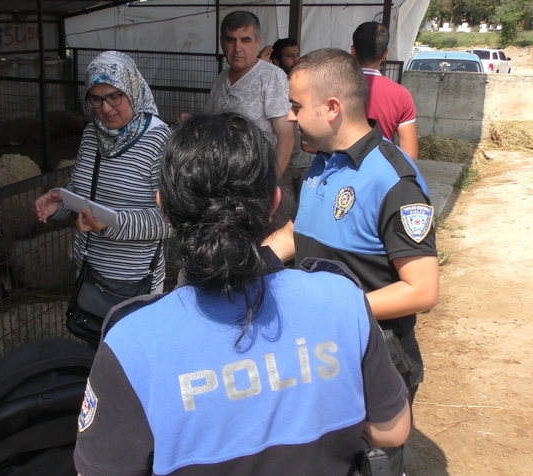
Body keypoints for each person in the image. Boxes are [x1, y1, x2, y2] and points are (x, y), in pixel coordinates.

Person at [73, 113, 411, 475]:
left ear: (165, 209)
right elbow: (393, 430)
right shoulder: (342, 299)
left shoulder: (131, 343)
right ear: (273, 203)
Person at [264, 48, 439, 475]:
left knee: (370, 461)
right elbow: (296, 233)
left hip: (373, 352)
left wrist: (335, 311)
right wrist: (247, 263)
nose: (289, 117)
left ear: (332, 108)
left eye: (296, 107)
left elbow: (422, 290)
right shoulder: (322, 163)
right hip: (322, 348)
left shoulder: (393, 181)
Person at [34, 51, 171, 296]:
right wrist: (60, 201)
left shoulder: (158, 140)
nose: (105, 109)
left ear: (131, 88)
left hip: (136, 280)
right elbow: (82, 191)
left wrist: (110, 225)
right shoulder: (91, 135)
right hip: (89, 272)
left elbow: (170, 221)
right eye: (96, 99)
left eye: (114, 96)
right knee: (92, 335)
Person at [204, 11, 294, 175]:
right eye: (230, 40)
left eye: (246, 40)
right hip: (221, 177)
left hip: (255, 181)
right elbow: (210, 122)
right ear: (221, 42)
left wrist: (271, 184)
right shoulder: (221, 78)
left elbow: (286, 139)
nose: (237, 48)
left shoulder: (272, 77)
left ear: (258, 42)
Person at [351, 21, 418, 160]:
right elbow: (410, 155)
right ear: (385, 54)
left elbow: (310, 145)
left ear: (353, 51)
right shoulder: (401, 95)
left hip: (340, 172)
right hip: (380, 172)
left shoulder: (333, 88)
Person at [272, 37, 314, 206]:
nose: (296, 60)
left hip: (307, 161)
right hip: (285, 164)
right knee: (284, 217)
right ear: (276, 60)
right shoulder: (272, 86)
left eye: (297, 54)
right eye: (290, 56)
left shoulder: (307, 82)